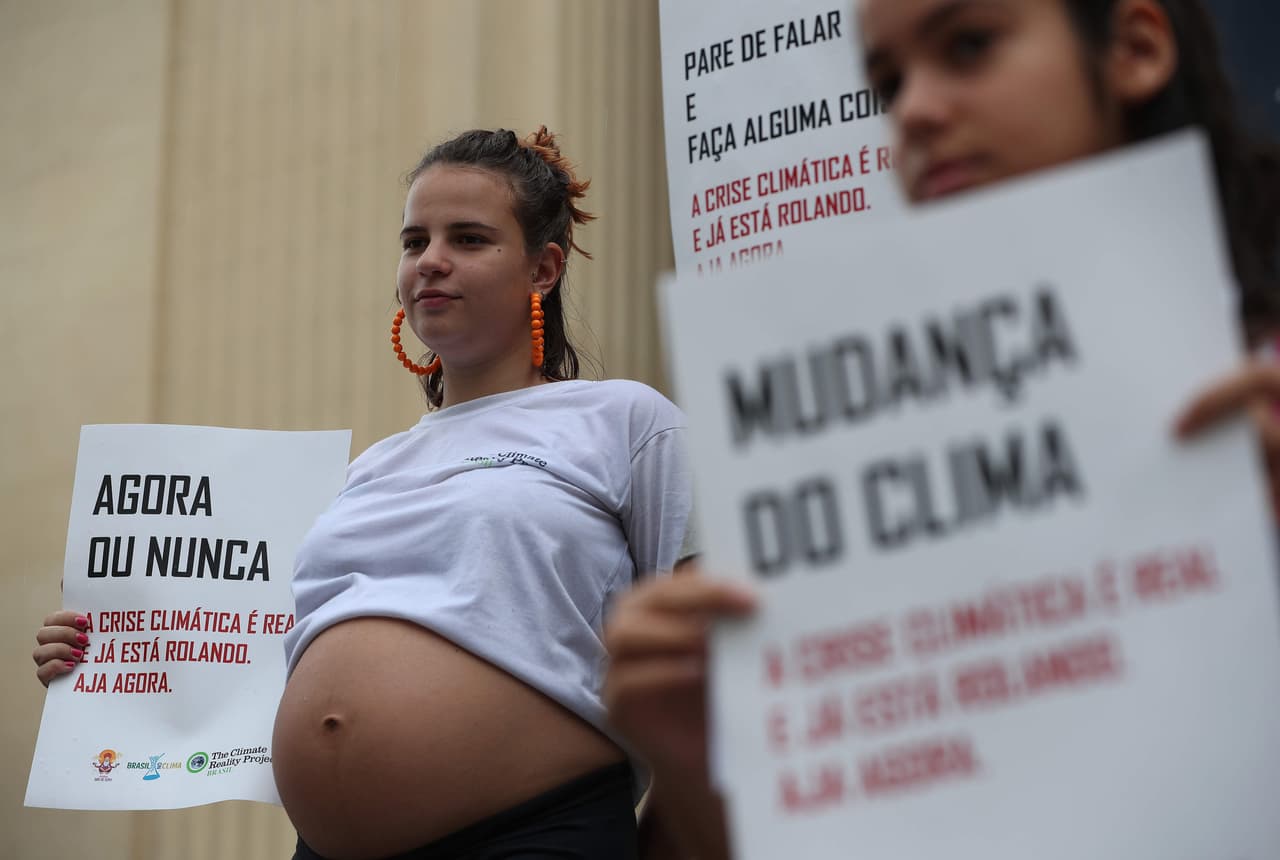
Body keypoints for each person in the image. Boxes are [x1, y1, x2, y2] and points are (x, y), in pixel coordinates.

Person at [602, 1, 1280, 857]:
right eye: (887, 83)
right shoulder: (853, 476)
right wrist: (697, 768)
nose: (914, 111)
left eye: (968, 46)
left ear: (1136, 48)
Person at [33, 127, 696, 860]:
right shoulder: (368, 472)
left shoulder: (626, 421)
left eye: (469, 239)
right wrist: (112, 642)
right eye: (415, 241)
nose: (431, 261)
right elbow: (252, 660)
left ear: (543, 268)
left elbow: (722, 651)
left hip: (531, 834)